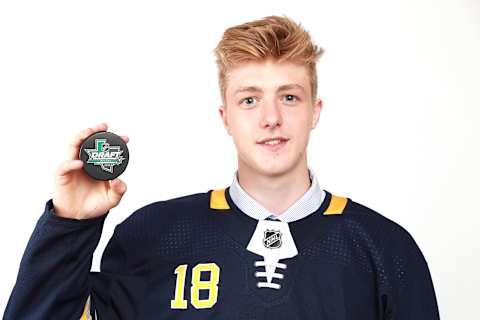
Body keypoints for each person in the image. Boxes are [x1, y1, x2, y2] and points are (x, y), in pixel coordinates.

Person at [3, 15, 440, 320]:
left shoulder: (385, 249)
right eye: (249, 99)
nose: (271, 118)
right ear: (225, 116)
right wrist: (69, 225)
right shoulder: (152, 234)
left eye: (289, 96)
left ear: (315, 111)